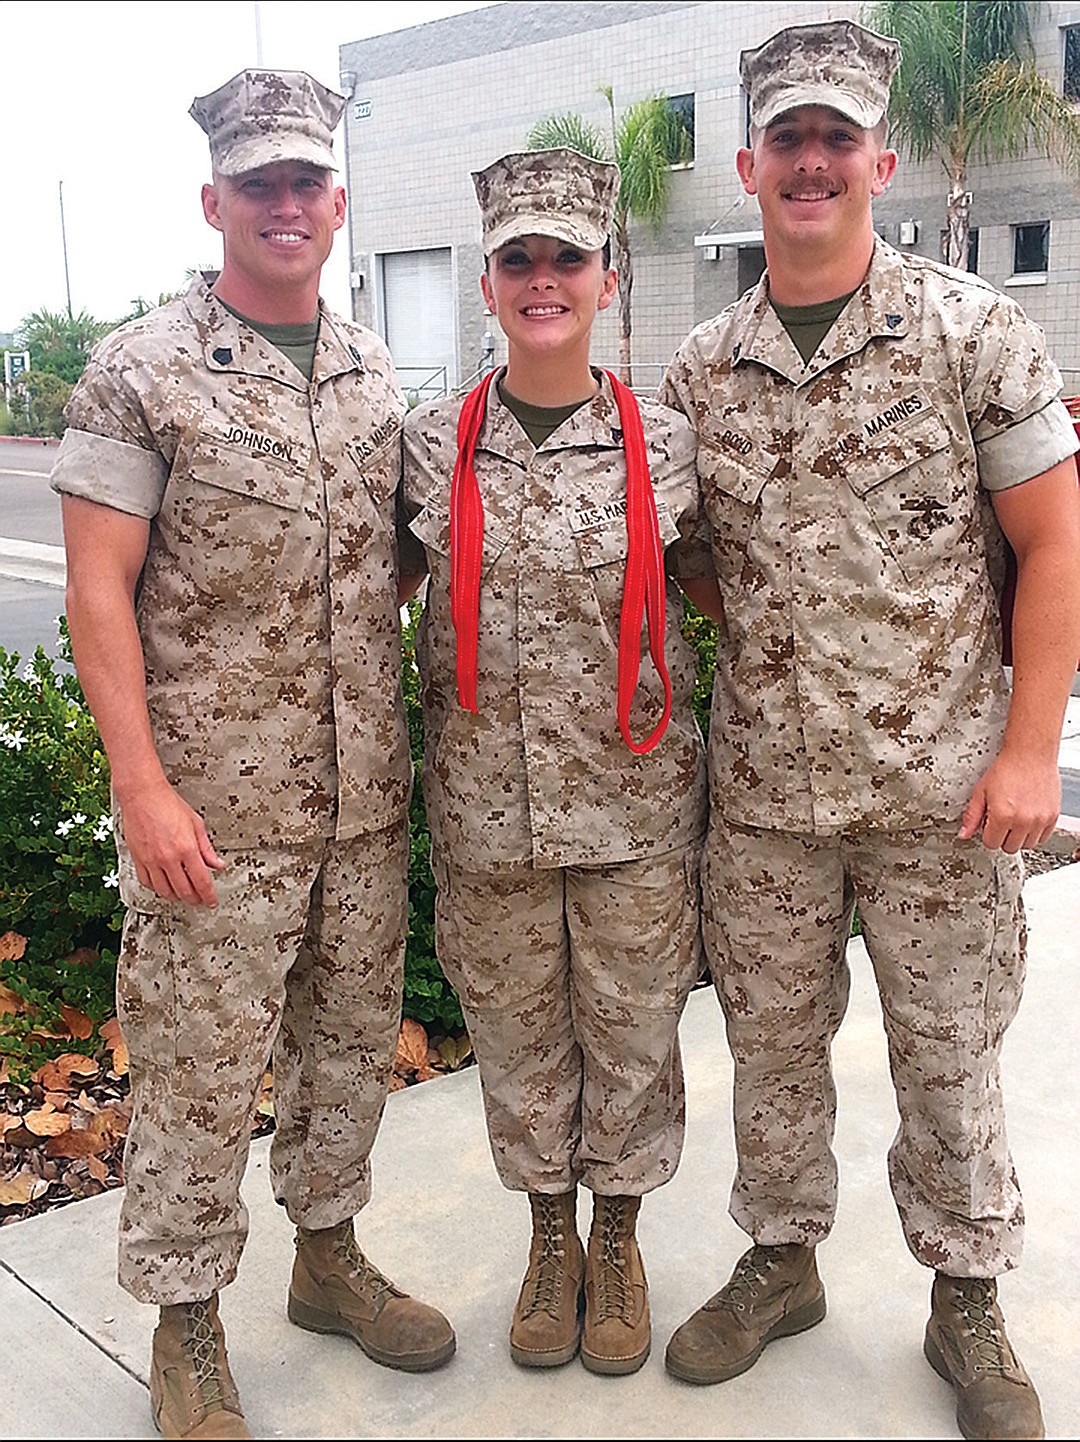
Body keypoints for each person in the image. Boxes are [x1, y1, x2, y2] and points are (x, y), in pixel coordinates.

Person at [658, 19, 1080, 1441]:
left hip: (943, 792)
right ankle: (783, 1258)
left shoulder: (974, 331)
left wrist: (1030, 749)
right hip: (771, 796)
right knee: (771, 1047)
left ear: (881, 161)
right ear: (748, 166)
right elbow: (689, 559)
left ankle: (966, 1294)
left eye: (839, 138)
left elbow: (1055, 544)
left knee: (948, 1055)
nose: (815, 163)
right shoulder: (701, 370)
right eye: (790, 140)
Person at [50, 68, 454, 1441]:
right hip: (213, 811)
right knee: (199, 1073)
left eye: (306, 183)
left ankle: (326, 1260)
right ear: (214, 199)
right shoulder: (142, 366)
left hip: (356, 804)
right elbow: (97, 589)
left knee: (347, 1049)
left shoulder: (369, 371)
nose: (285, 204)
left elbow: (392, 560)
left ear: (339, 205)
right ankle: (185, 1324)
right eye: (259, 183)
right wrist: (141, 783)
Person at [398, 147, 720, 1376]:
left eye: (566, 259)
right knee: (522, 1044)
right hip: (490, 818)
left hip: (636, 816)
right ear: (489, 284)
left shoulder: (667, 445)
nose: (544, 281)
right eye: (518, 260)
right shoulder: (431, 448)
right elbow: (372, 607)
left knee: (634, 1039)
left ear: (607, 278)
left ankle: (620, 1239)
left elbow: (729, 606)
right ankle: (550, 1239)